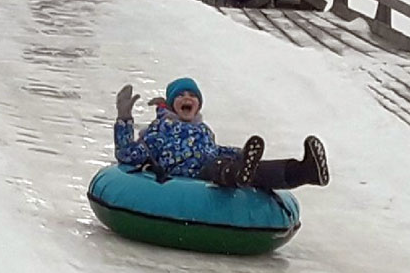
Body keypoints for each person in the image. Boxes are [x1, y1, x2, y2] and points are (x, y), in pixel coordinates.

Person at [113, 77, 330, 189]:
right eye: (180, 95)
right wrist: (124, 119)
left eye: (192, 95)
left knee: (255, 170)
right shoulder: (159, 129)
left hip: (214, 163)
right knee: (219, 168)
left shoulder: (203, 130)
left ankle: (304, 171)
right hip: (191, 176)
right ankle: (239, 173)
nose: (187, 98)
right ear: (171, 104)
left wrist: (242, 153)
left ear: (198, 104)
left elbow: (214, 149)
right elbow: (128, 154)